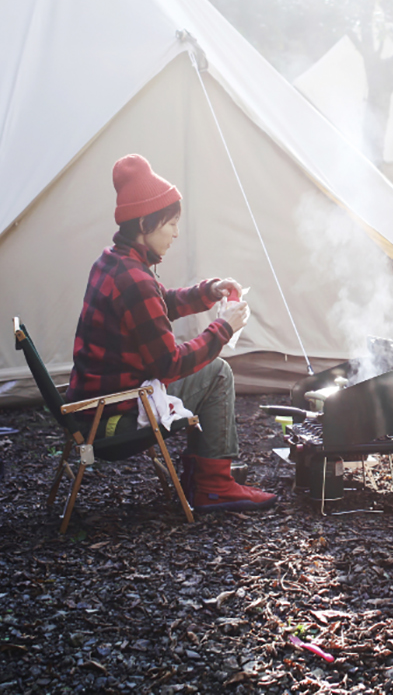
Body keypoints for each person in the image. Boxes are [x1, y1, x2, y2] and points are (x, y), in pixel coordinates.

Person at [68, 153, 277, 514]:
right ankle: (212, 484)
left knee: (211, 369)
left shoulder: (114, 261)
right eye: (171, 224)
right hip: (112, 418)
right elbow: (168, 364)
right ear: (146, 222)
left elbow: (156, 305)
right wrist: (223, 328)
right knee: (217, 373)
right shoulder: (134, 279)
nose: (176, 233)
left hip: (93, 408)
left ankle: (206, 474)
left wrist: (207, 291)